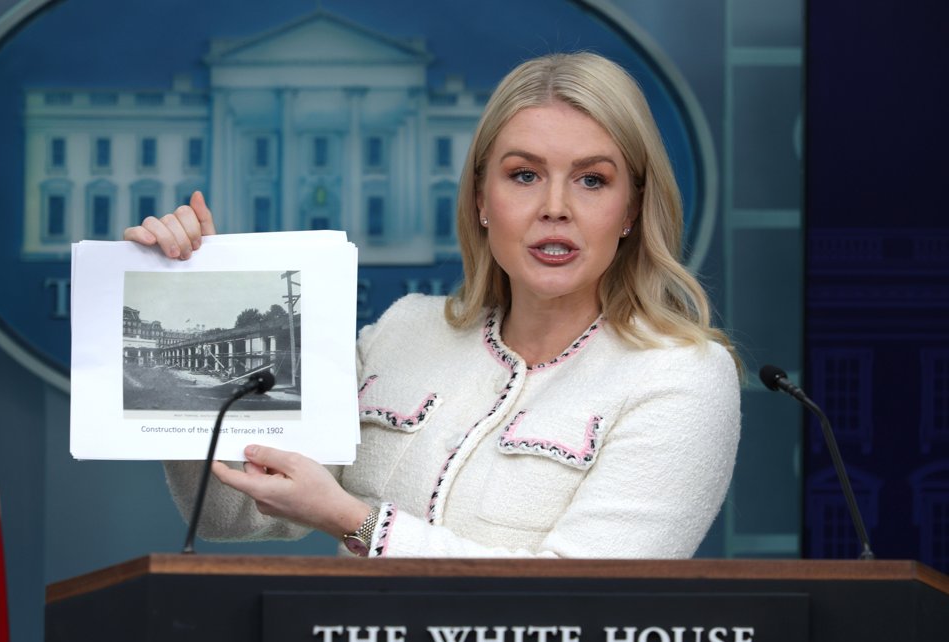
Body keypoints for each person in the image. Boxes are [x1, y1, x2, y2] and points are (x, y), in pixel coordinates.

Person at [123, 52, 741, 559]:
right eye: (524, 175)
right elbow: (230, 514)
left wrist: (357, 523)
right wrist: (191, 286)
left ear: (632, 209)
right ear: (480, 199)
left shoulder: (680, 375)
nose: (555, 207)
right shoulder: (401, 332)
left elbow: (584, 598)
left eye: (592, 180)